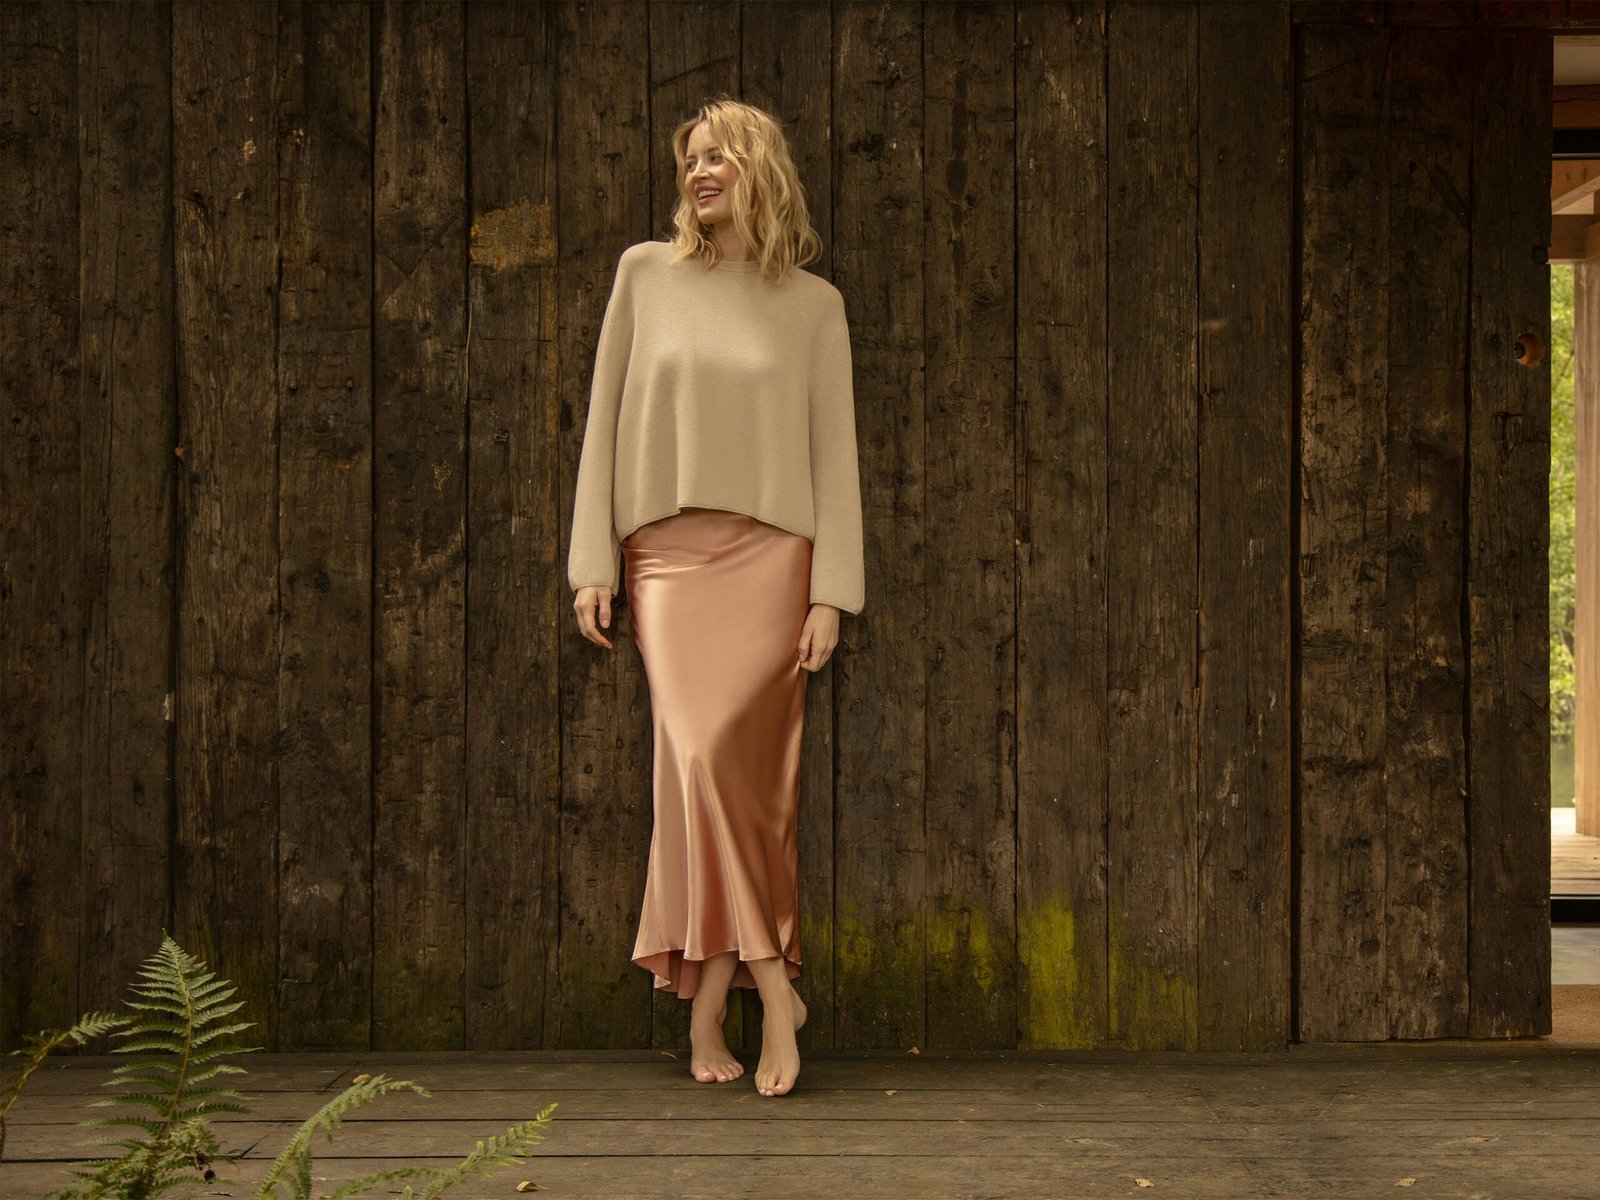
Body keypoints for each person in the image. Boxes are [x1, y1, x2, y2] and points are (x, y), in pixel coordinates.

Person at [567, 98, 865, 1098]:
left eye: (719, 159)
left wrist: (831, 593)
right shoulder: (644, 277)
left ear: (758, 172)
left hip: (772, 560)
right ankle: (777, 990)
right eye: (690, 159)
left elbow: (835, 457)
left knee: (742, 789)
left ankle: (706, 1007)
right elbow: (603, 420)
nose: (700, 173)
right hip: (667, 560)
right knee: (693, 759)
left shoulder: (813, 304)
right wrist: (591, 564)